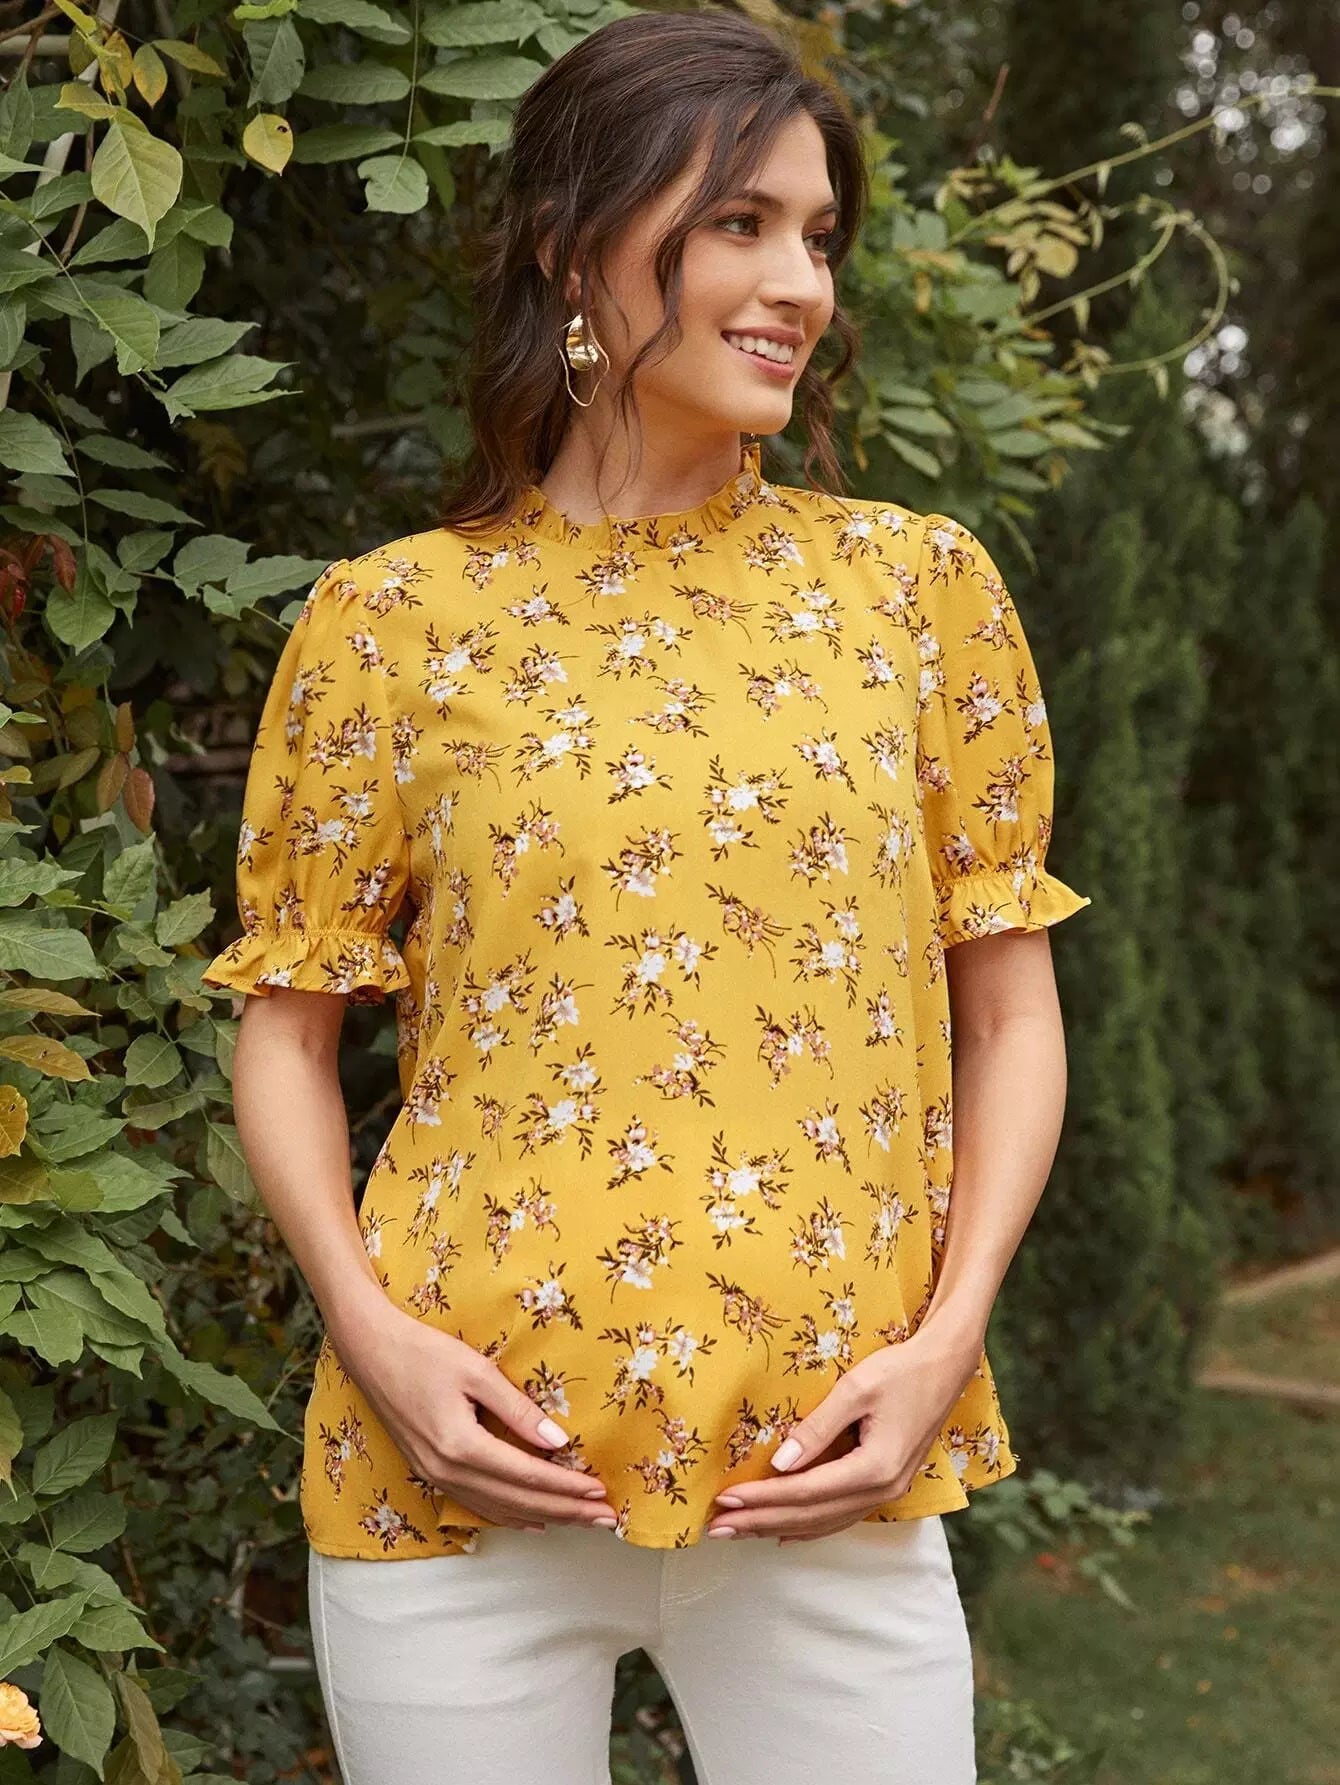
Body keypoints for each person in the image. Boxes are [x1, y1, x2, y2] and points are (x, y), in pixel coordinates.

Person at [202, 10, 1092, 1781]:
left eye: (819, 235)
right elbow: (286, 1038)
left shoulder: (917, 595)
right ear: (571, 248)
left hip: (830, 1484)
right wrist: (373, 1341)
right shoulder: (391, 622)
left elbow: (1009, 1015)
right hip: (457, 1488)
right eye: (739, 224)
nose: (800, 283)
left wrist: (950, 1338)